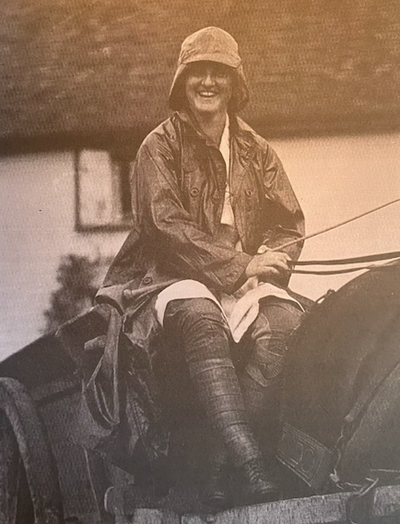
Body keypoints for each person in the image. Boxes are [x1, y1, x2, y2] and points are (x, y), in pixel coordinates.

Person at [98, 26, 305, 507]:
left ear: (235, 84)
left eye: (220, 73)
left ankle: (217, 460)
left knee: (287, 322)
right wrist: (242, 262)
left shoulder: (257, 150)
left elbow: (288, 223)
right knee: (201, 317)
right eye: (198, 72)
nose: (208, 82)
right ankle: (252, 463)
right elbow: (165, 227)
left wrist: (272, 261)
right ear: (181, 81)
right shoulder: (158, 146)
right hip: (167, 276)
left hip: (240, 275)